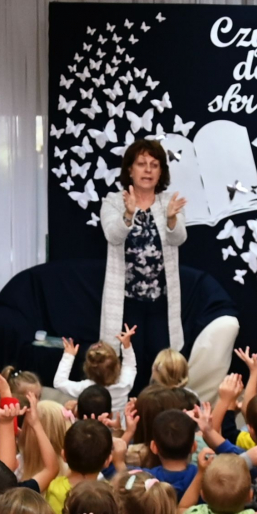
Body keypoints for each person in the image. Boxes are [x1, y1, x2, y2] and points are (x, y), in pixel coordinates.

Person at [100, 138, 187, 370]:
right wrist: (128, 214)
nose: (148, 170)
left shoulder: (169, 202)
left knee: (163, 368)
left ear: (161, 172)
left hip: (162, 303)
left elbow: (179, 238)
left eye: (154, 165)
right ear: (130, 169)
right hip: (127, 303)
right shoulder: (113, 202)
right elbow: (113, 236)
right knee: (130, 366)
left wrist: (171, 218)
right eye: (141, 164)